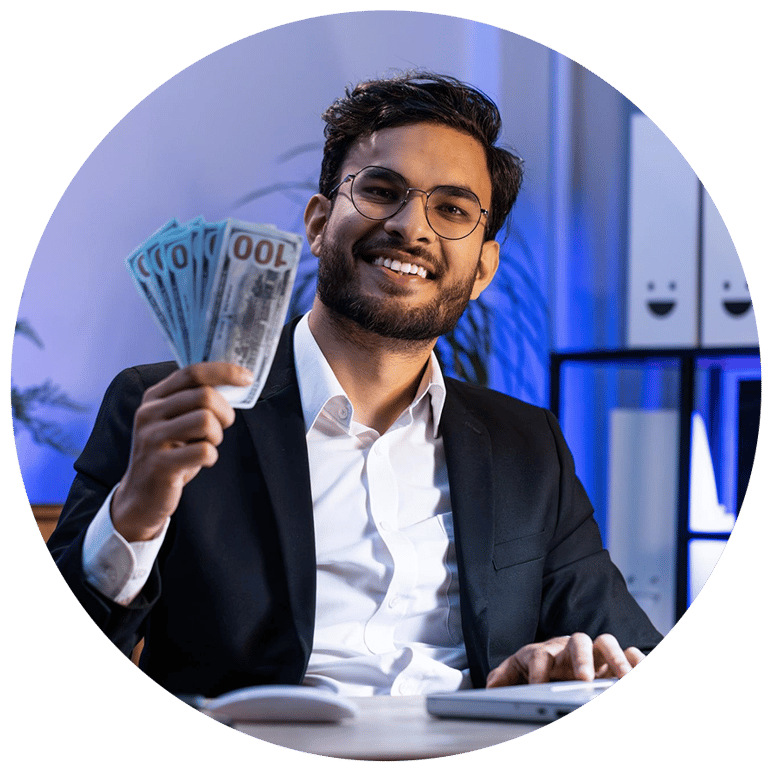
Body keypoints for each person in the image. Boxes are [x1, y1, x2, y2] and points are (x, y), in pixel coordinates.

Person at [47, 71, 663, 699]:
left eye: (452, 209)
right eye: (381, 190)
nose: (411, 227)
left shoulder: (527, 444)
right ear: (318, 224)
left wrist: (580, 660)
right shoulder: (168, 409)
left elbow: (630, 650)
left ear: (483, 268)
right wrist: (134, 512)